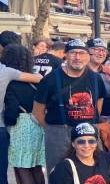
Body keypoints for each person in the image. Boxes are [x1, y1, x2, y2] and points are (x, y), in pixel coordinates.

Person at [32, 39, 105, 173]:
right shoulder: (50, 79)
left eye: (82, 53)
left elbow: (98, 104)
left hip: (89, 132)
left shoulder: (96, 78)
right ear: (65, 55)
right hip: (59, 133)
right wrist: (53, 129)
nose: (77, 57)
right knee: (58, 173)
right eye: (73, 53)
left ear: (88, 56)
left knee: (92, 174)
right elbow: (37, 111)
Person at [2, 45, 46, 184]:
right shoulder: (37, 80)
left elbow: (11, 112)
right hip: (38, 124)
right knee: (35, 167)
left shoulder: (11, 81)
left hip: (21, 126)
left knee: (22, 168)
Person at [87, 38, 110, 119]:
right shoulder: (77, 72)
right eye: (96, 50)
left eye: (104, 50)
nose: (101, 53)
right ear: (87, 51)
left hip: (107, 122)